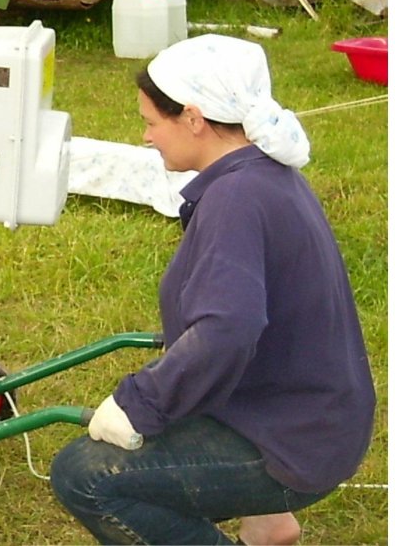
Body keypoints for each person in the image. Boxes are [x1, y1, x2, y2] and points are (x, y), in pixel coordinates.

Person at [50, 34, 375, 545]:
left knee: (84, 474)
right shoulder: (265, 173)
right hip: (310, 415)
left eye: (152, 122)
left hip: (292, 439)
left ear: (195, 119)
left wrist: (141, 401)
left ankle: (267, 504)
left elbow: (229, 328)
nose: (146, 137)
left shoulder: (236, 198)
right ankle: (269, 526)